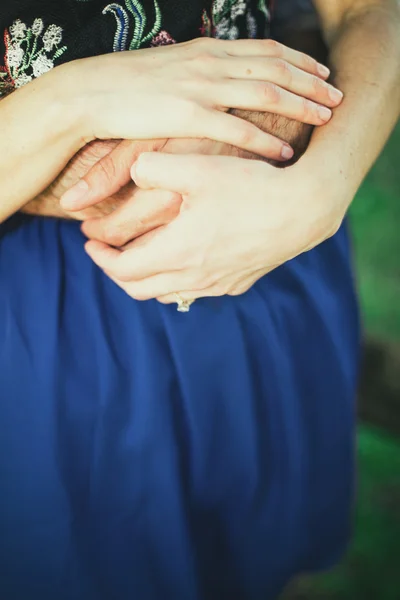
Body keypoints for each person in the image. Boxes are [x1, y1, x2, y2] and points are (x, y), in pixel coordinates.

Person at [0, 2, 399, 600]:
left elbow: (370, 9)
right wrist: (70, 102)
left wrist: (320, 191)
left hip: (266, 241)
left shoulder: (298, 208)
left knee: (252, 544)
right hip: (36, 330)